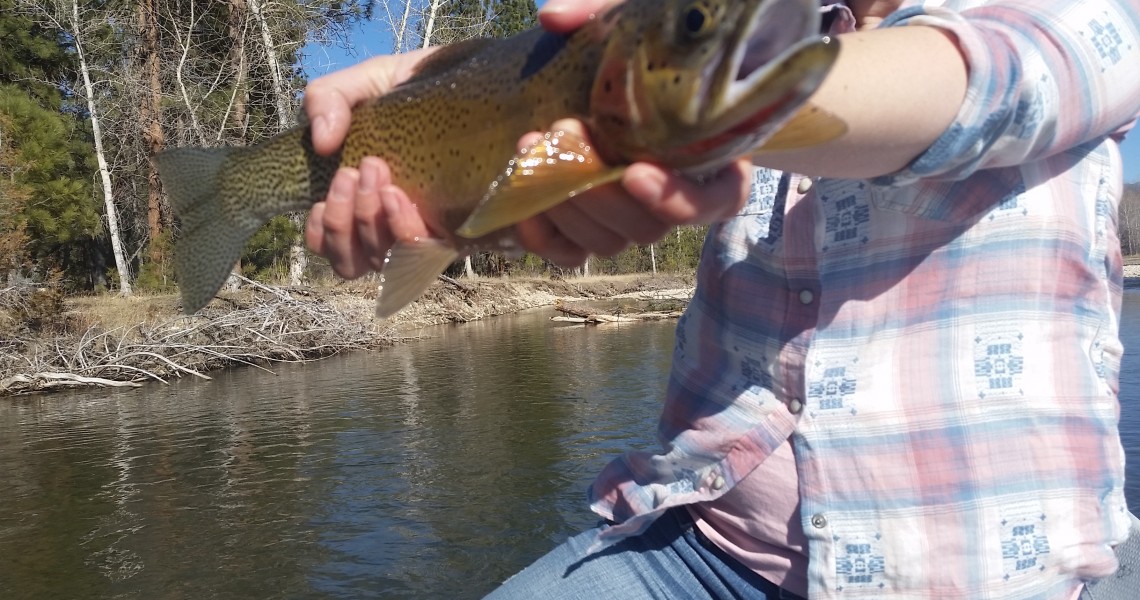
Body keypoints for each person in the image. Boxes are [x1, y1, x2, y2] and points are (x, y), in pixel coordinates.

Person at [303, 0, 1140, 597]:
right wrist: (472, 163)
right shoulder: (753, 20)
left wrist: (648, 82)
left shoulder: (1078, 17)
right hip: (698, 552)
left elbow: (967, 84)